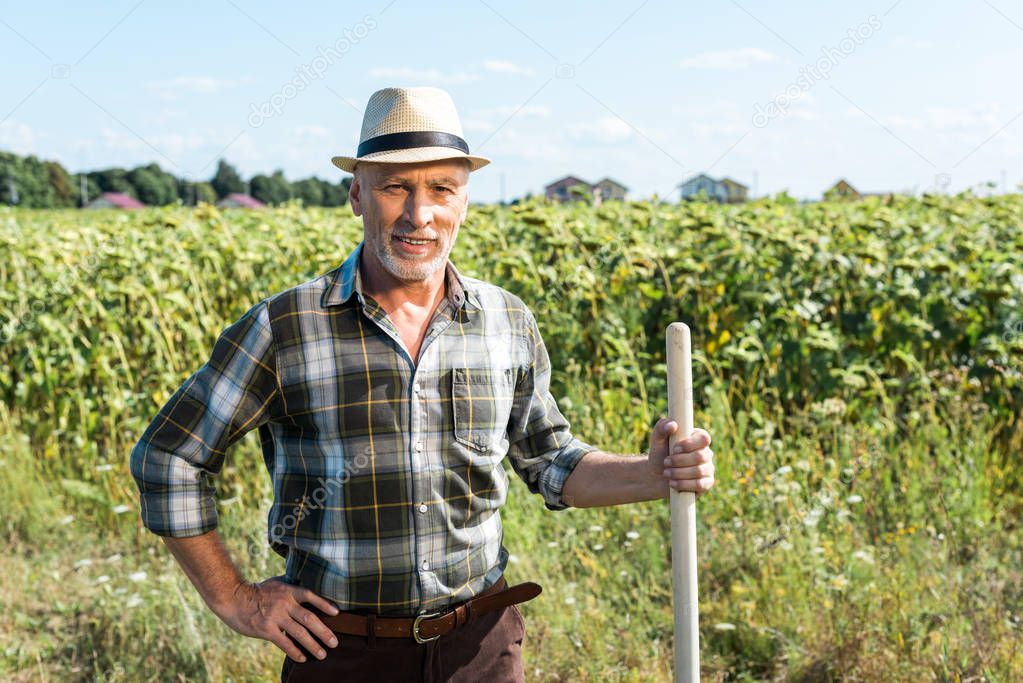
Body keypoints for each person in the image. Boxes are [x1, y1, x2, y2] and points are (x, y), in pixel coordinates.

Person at [129, 86, 715, 683]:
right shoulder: (287, 327)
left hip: (480, 647)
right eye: (395, 187)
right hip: (343, 652)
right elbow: (169, 456)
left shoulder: (506, 321)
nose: (419, 215)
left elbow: (551, 462)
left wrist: (655, 473)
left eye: (441, 189)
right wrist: (236, 598)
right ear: (357, 194)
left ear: (464, 200)